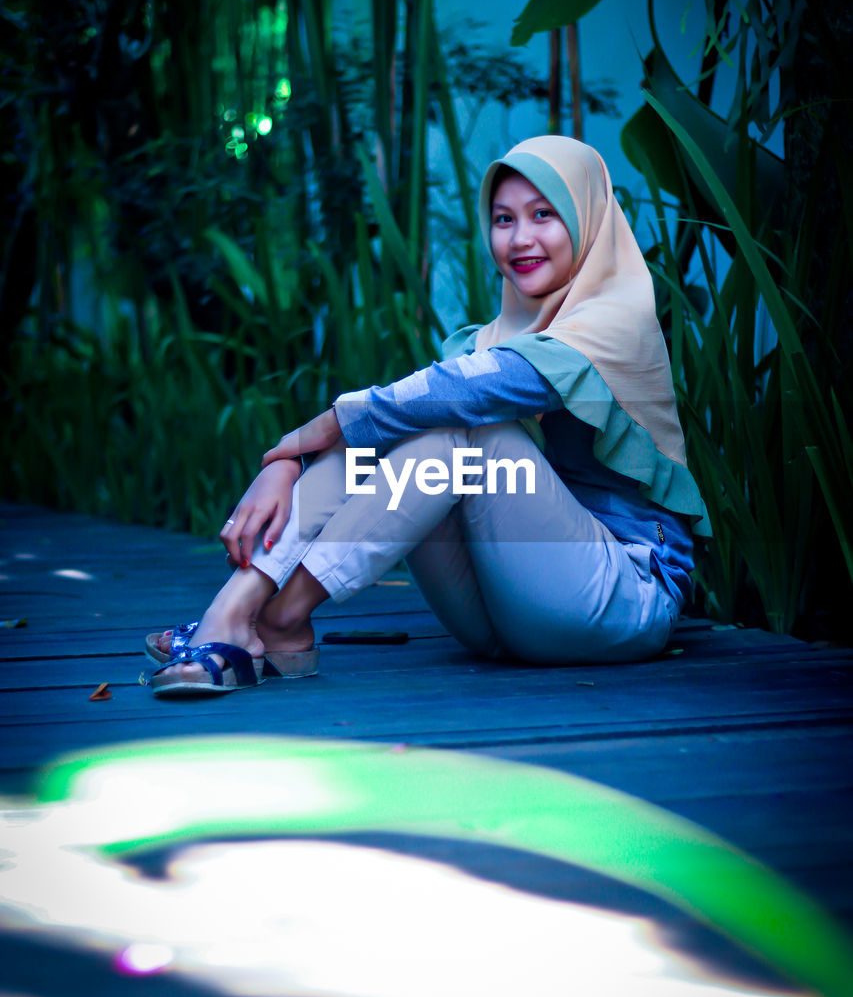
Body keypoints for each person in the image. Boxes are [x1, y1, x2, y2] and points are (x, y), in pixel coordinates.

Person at [147, 135, 710, 697]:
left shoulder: (618, 318)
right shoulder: (492, 340)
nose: (520, 238)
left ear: (587, 220)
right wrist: (289, 462)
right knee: (431, 425)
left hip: (624, 599)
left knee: (466, 427)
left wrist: (302, 438)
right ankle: (240, 611)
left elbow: (466, 395)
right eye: (503, 219)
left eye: (544, 215)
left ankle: (275, 617)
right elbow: (408, 414)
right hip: (503, 619)